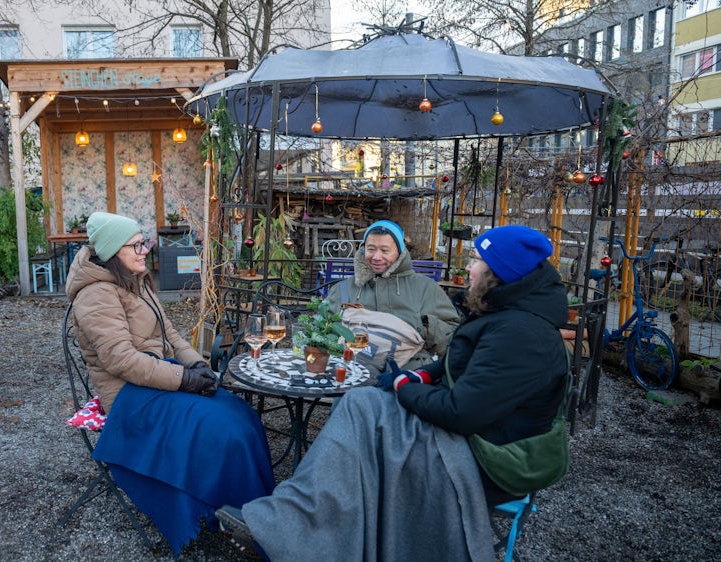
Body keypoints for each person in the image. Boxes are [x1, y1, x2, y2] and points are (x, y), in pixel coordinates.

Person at [215, 225, 570, 561]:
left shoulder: (521, 334)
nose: (469, 268)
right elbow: (459, 366)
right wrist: (419, 377)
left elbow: (462, 412)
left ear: (499, 274)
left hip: (489, 456)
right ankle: (299, 521)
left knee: (361, 412)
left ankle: (290, 526)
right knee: (361, 406)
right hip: (476, 432)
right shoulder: (508, 313)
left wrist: (402, 387)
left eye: (478, 261)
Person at [65, 211, 275, 557]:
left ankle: (258, 512)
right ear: (113, 251)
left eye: (142, 242)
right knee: (221, 429)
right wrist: (185, 380)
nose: (144, 249)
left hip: (160, 375)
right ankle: (234, 516)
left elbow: (170, 333)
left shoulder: (134, 278)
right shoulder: (96, 295)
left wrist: (196, 364)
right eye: (136, 244)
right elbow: (122, 361)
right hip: (130, 396)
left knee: (239, 413)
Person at [326, 219, 460, 369]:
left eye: (385, 250)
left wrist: (422, 327)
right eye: (371, 249)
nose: (376, 257)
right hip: (352, 374)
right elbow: (320, 333)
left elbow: (454, 336)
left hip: (410, 377)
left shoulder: (425, 288)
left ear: (400, 252)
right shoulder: (342, 290)